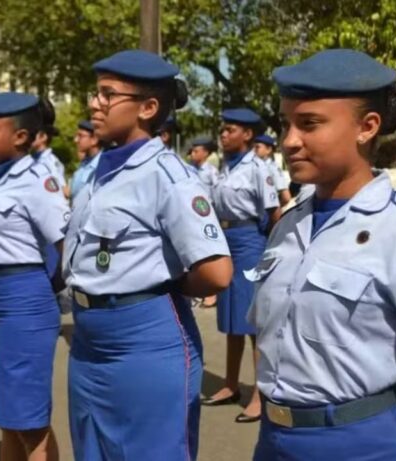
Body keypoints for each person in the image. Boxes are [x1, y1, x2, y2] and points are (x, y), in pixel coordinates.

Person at [249, 48, 396, 461]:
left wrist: (394, 394)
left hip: (364, 444)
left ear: (367, 127)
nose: (289, 141)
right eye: (286, 123)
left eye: (309, 124)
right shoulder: (290, 224)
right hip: (275, 441)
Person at [62, 49, 232, 461]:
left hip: (144, 340)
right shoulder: (98, 171)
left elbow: (217, 272)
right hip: (89, 340)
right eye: (95, 93)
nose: (94, 104)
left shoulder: (168, 175)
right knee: (93, 451)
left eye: (107, 95)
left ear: (148, 108)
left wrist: (163, 283)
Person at [0, 92, 69, 461]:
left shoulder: (36, 181)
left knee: (29, 420)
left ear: (20, 137)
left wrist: (44, 289)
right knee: (8, 414)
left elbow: (68, 249)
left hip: (23, 299)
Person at [203, 108, 281, 424]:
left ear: (247, 135)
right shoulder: (223, 167)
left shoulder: (257, 169)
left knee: (253, 324)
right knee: (232, 320)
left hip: (250, 241)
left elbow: (274, 213)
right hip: (226, 239)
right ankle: (231, 385)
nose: (223, 134)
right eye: (223, 129)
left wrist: (270, 253)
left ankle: (260, 396)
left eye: (230, 129)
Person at [253, 134, 292, 206]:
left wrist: (273, 211)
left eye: (257, 147)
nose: (253, 150)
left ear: (268, 150)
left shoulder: (273, 169)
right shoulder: (254, 166)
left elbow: (286, 197)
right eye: (252, 147)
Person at [69, 120, 102, 201]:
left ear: (94, 139)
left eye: (80, 136)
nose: (76, 140)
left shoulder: (101, 166)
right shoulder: (85, 164)